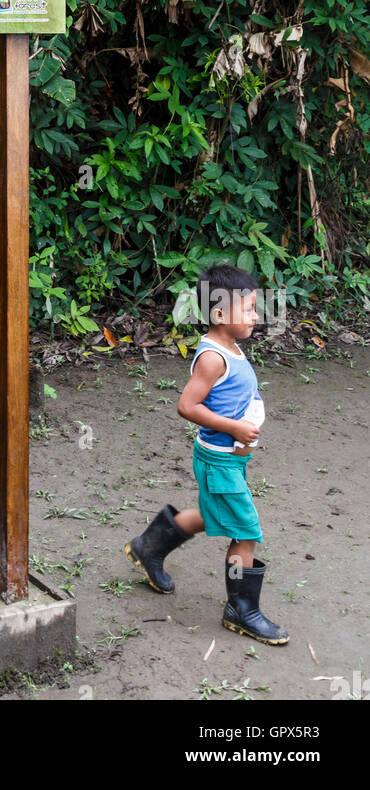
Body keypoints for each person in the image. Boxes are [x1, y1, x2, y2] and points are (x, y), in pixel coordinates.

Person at [123, 263, 289, 645]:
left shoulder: (230, 348)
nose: (256, 316)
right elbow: (187, 405)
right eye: (248, 309)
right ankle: (240, 609)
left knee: (213, 513)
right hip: (220, 460)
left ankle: (148, 548)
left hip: (229, 459)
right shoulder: (214, 357)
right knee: (246, 533)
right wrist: (233, 428)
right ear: (219, 315)